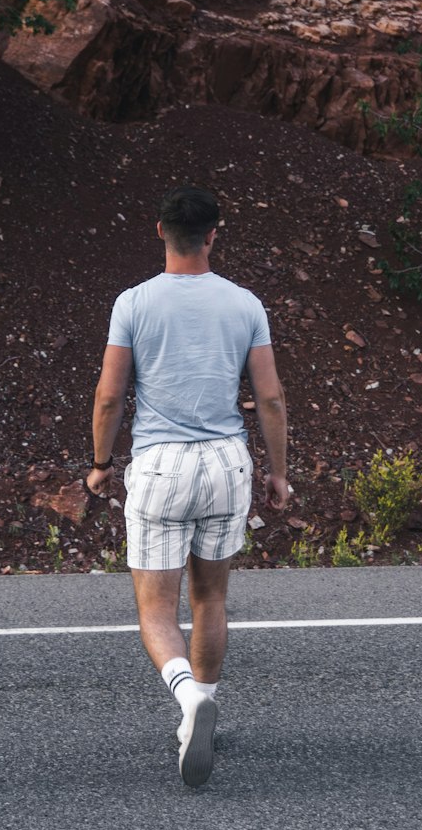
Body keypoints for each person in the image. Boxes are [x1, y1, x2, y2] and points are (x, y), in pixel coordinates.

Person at [86, 185, 289, 787]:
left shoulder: (134, 303)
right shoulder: (245, 304)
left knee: (155, 607)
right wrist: (278, 472)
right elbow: (271, 397)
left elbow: (110, 394)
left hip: (160, 464)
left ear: (159, 231)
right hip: (227, 462)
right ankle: (204, 700)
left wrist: (100, 462)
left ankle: (185, 697)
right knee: (210, 599)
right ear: (214, 234)